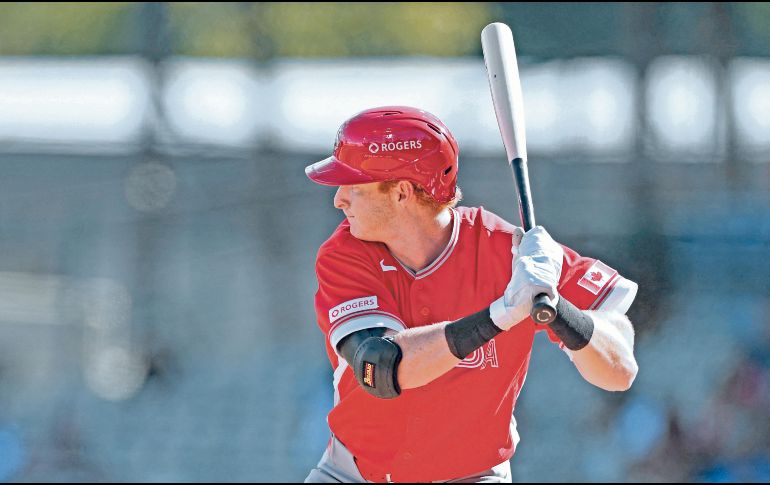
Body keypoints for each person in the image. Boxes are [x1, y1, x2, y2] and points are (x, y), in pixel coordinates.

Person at [303, 106, 639, 483]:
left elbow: (619, 371)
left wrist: (557, 307)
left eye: (354, 186)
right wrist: (500, 315)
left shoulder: (510, 251)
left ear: (401, 193)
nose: (338, 199)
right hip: (354, 474)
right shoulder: (345, 253)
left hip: (473, 476)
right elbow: (379, 366)